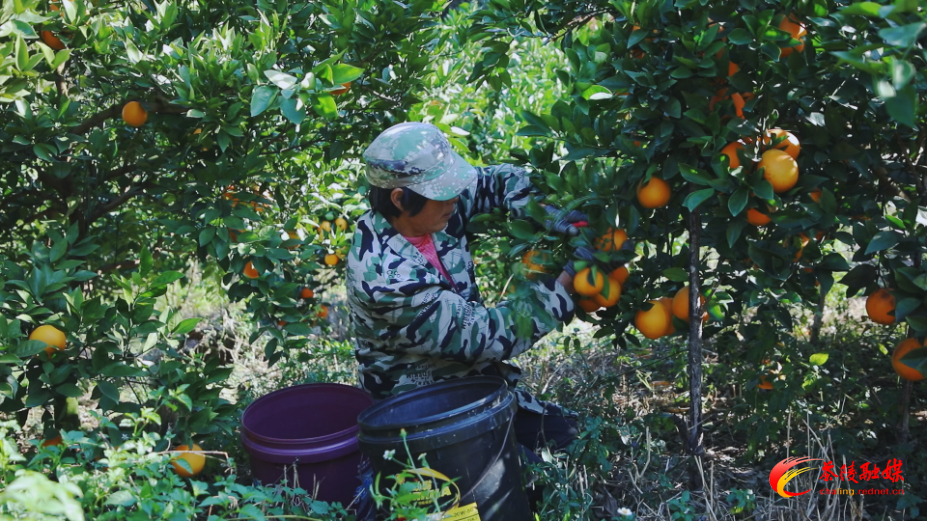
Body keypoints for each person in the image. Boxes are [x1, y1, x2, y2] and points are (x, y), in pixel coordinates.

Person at [345, 122, 597, 504]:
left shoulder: (432, 210)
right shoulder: (384, 278)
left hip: (476, 389)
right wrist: (568, 282)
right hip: (425, 416)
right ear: (399, 199)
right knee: (532, 489)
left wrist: (546, 208)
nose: (454, 197)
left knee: (575, 441)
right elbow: (486, 336)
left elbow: (496, 181)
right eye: (443, 192)